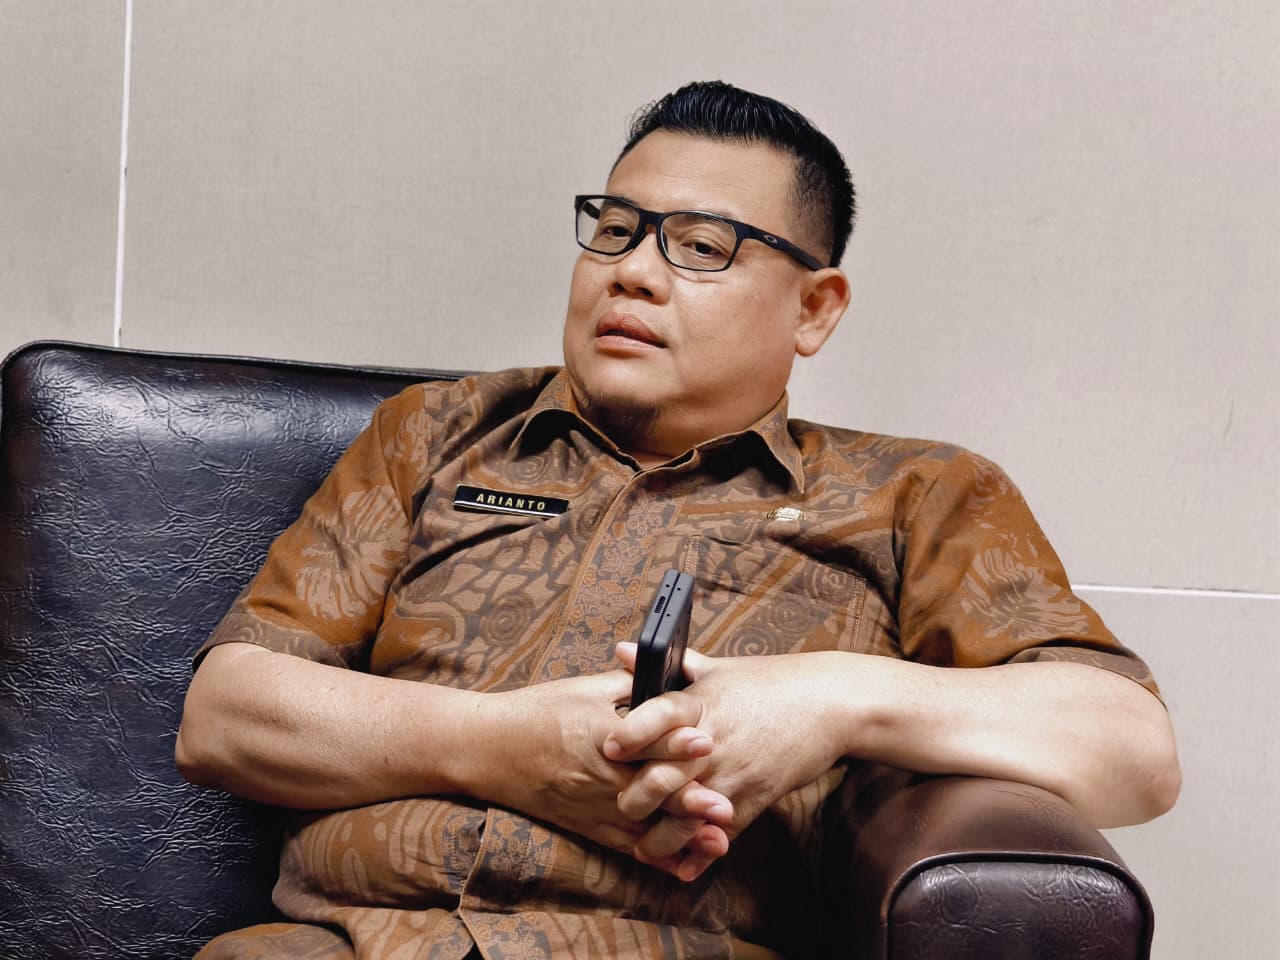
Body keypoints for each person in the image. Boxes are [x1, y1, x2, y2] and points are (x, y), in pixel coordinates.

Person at [176, 80, 1180, 959]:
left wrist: (834, 698)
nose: (633, 271)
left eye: (700, 247)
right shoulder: (435, 432)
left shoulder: (916, 494)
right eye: (615, 229)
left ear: (814, 309)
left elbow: (1132, 752)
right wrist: (502, 744)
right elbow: (225, 716)